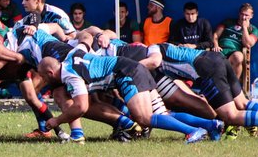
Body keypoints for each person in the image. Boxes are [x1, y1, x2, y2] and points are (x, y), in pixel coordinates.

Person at [38, 47, 217, 144]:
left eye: (44, 78)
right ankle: (212, 125)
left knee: (144, 118)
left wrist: (57, 120)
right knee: (161, 115)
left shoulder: (70, 75)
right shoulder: (72, 54)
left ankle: (192, 132)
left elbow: (81, 106)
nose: (44, 81)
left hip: (127, 73)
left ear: (50, 73)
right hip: (134, 68)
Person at [213, 3, 257, 80]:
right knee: (211, 58)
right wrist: (216, 45)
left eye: (246, 15)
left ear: (251, 16)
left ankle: (233, 84)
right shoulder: (228, 22)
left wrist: (244, 28)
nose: (243, 17)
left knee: (238, 57)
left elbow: (248, 44)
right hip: (221, 50)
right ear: (239, 13)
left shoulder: (253, 29)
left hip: (234, 53)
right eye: (242, 14)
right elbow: (216, 34)